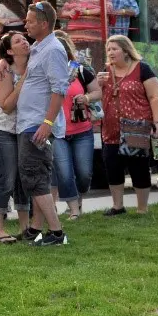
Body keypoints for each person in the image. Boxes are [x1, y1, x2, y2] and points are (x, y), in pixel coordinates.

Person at [16, 1, 70, 245]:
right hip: (29, 122)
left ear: (44, 23)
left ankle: (57, 233)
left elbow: (59, 90)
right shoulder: (39, 47)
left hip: (37, 124)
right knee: (37, 178)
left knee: (35, 178)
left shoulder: (54, 50)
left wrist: (47, 122)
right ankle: (36, 228)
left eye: (30, 21)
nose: (25, 24)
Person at [98, 35, 158, 215]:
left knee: (139, 167)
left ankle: (142, 208)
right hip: (111, 128)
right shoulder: (105, 71)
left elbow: (154, 97)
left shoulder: (143, 69)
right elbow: (97, 96)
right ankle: (117, 206)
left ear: (126, 51)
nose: (110, 53)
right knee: (112, 166)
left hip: (136, 126)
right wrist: (98, 84)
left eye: (114, 49)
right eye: (108, 49)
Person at [51, 31, 101, 219]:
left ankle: (79, 201)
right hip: (58, 133)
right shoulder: (43, 74)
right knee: (64, 172)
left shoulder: (80, 71)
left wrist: (86, 97)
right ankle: (73, 210)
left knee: (84, 174)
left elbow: (97, 92)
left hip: (82, 131)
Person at [0, 32, 32, 243]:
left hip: (26, 130)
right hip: (4, 131)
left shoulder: (35, 63)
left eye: (24, 38)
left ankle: (25, 228)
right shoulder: (5, 72)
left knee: (23, 179)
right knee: (6, 179)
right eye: (18, 41)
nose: (24, 41)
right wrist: (22, 80)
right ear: (10, 51)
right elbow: (5, 106)